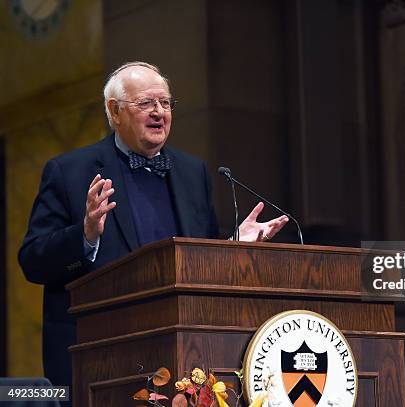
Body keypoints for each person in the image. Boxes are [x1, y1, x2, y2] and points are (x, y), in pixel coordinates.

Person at [18, 62, 289, 392]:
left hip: (183, 364)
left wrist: (232, 246)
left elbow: (195, 261)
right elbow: (33, 261)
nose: (159, 112)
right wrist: (85, 236)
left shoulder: (193, 173)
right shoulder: (69, 172)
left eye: (165, 103)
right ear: (114, 112)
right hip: (99, 363)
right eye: (145, 103)